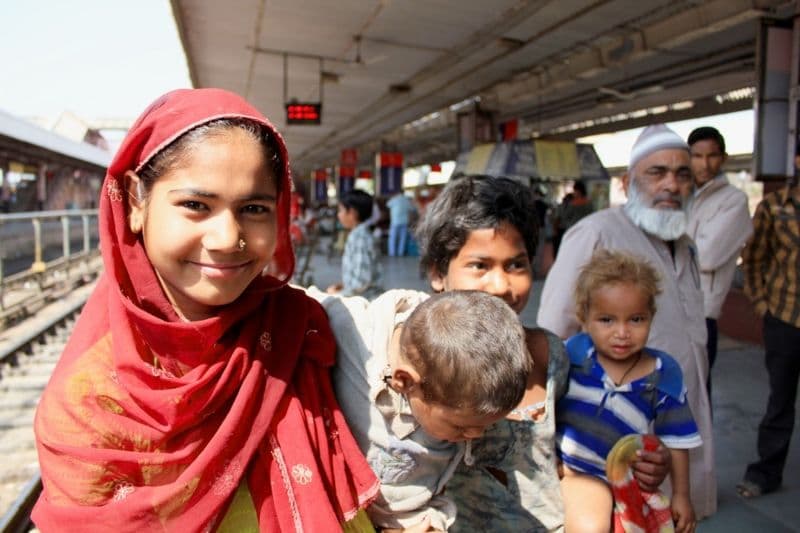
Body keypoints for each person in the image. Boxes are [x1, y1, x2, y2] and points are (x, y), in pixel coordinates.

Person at [31, 88, 378, 532]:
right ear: (137, 201)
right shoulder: (86, 402)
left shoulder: (299, 327)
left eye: (254, 209)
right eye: (196, 206)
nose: (226, 238)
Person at [414, 175, 671, 531]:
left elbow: (568, 454)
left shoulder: (550, 354)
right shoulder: (415, 364)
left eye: (516, 265)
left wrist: (640, 463)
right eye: (480, 266)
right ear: (438, 273)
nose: (501, 285)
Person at [537, 124, 716, 519]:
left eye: (682, 174)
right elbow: (554, 333)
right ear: (627, 181)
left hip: (670, 416)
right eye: (657, 172)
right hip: (607, 447)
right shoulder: (595, 232)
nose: (671, 184)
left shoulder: (685, 243)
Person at [311, 288, 530, 531]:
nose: (476, 436)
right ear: (404, 382)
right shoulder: (351, 331)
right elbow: (291, 300)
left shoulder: (457, 378)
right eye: (461, 427)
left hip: (409, 517)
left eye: (486, 426)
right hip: (331, 506)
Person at [557, 249, 701, 533]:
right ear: (584, 317)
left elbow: (677, 440)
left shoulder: (663, 373)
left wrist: (682, 495)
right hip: (567, 476)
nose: (622, 332)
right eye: (607, 320)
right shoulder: (573, 353)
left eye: (636, 320)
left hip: (623, 488)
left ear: (651, 316)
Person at [736, 175, 800, 500]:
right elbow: (754, 257)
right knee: (780, 401)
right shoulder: (774, 207)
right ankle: (765, 473)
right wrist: (761, 303)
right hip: (785, 317)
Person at [686, 126, 753, 397]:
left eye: (711, 156)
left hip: (702, 312)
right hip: (666, 307)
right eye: (697, 156)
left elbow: (708, 255)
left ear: (723, 158)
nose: (704, 163)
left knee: (696, 393)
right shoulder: (680, 194)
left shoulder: (733, 201)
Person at [326, 189, 383, 299]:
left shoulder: (360, 239)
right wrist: (343, 285)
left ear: (352, 213)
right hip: (359, 295)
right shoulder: (358, 234)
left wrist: (336, 295)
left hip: (365, 300)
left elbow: (361, 283)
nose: (339, 215)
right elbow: (360, 274)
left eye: (341, 210)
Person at [386, 191, 416, 257]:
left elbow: (387, 205)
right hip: (404, 221)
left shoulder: (394, 199)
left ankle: (392, 253)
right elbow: (412, 209)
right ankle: (400, 253)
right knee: (403, 238)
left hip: (395, 221)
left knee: (393, 238)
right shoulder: (406, 200)